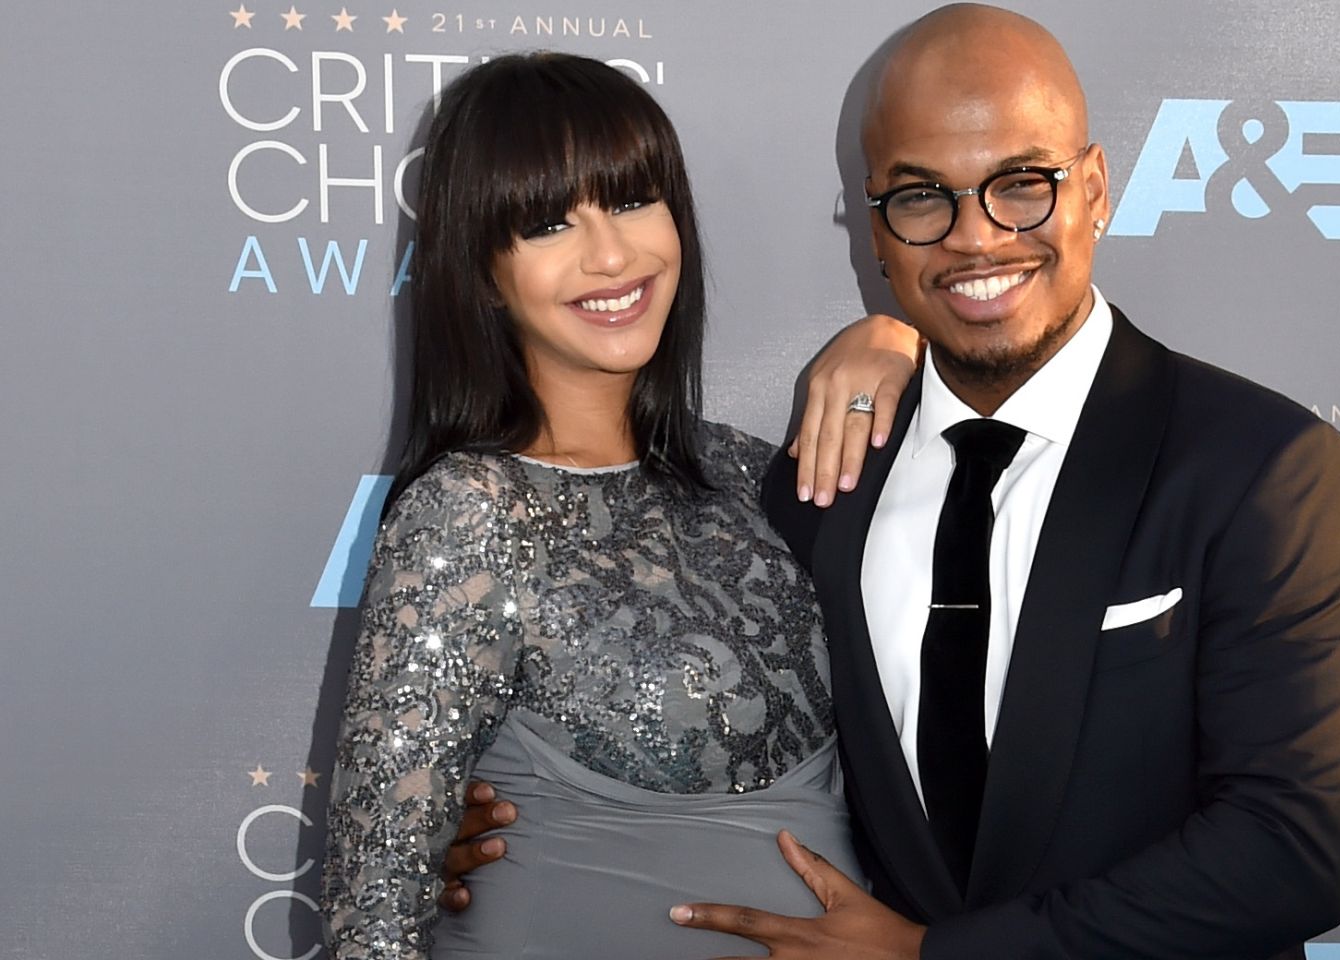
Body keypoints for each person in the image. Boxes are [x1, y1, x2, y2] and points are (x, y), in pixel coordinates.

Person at [450, 6, 1340, 959]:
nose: (977, 239)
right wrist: (504, 830)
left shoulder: (1259, 466)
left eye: (1022, 185)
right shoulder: (819, 481)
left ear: (1096, 189)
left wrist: (934, 959)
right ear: (876, 224)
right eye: (924, 196)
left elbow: (1292, 851)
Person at [318, 52, 915, 960]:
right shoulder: (468, 514)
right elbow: (374, 916)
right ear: (481, 269)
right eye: (549, 222)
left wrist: (899, 336)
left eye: (634, 200)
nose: (611, 254)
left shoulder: (754, 475)